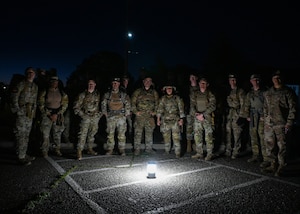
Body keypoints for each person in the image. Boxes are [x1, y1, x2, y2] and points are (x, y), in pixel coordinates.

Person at [262, 70, 297, 176]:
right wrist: (265, 118)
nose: (277, 80)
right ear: (272, 79)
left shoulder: (288, 92)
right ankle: (273, 164)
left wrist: (289, 122)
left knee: (282, 146)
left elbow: (293, 108)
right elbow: (265, 106)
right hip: (269, 124)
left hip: (282, 123)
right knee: (269, 145)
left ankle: (282, 166)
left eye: (278, 77)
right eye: (274, 77)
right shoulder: (268, 92)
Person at [10, 67, 38, 165]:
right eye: (28, 72)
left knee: (26, 135)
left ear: (35, 74)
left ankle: (23, 154)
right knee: (20, 135)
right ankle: (20, 157)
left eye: (32, 72)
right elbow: (14, 98)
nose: (30, 74)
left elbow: (34, 101)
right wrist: (18, 111)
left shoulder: (35, 86)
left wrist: (33, 113)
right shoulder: (21, 84)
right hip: (21, 114)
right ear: (26, 74)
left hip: (29, 115)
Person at [38, 76, 69, 157]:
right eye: (53, 81)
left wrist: (58, 113)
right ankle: (44, 151)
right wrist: (49, 114)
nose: (54, 83)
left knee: (57, 134)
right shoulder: (45, 92)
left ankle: (57, 150)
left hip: (57, 115)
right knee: (45, 134)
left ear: (58, 83)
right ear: (50, 82)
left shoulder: (62, 93)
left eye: (56, 81)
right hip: (46, 115)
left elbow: (65, 104)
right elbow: (40, 104)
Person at [241, 74, 268, 165]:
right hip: (253, 117)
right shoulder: (250, 94)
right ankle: (256, 155)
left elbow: (268, 105)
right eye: (253, 80)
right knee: (253, 136)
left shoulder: (264, 92)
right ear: (251, 81)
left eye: (257, 80)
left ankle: (266, 158)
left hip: (262, 117)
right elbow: (246, 105)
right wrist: (247, 115)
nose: (255, 82)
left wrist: (264, 115)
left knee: (262, 136)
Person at [101, 77, 131, 156]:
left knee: (121, 134)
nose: (115, 85)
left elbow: (128, 103)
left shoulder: (123, 94)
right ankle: (110, 149)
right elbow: (103, 104)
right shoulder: (107, 94)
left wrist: (126, 113)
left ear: (119, 84)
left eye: (116, 83)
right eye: (113, 83)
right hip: (111, 116)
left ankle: (121, 149)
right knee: (110, 134)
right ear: (112, 84)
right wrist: (105, 112)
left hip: (121, 117)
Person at [73, 79, 101, 160]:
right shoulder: (82, 94)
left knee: (92, 134)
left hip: (95, 117)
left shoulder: (98, 94)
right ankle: (79, 151)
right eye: (89, 84)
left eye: (92, 84)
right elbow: (76, 107)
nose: (91, 85)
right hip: (86, 117)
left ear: (95, 84)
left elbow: (101, 105)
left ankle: (90, 149)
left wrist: (99, 115)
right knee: (82, 134)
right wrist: (82, 115)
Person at [131, 76, 159, 155]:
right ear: (143, 82)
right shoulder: (138, 91)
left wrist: (155, 112)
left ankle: (149, 149)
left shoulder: (154, 92)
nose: (148, 82)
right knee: (138, 133)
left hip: (149, 116)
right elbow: (132, 103)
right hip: (140, 116)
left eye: (150, 81)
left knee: (149, 133)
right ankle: (137, 149)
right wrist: (135, 112)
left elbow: (157, 104)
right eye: (146, 81)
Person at [190, 77, 216, 161]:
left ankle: (209, 154)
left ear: (207, 85)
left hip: (207, 117)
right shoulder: (195, 94)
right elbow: (192, 105)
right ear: (199, 84)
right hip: (197, 117)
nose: (202, 85)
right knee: (197, 136)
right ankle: (199, 153)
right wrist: (196, 114)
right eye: (201, 83)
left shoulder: (210, 94)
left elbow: (213, 106)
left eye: (204, 83)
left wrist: (203, 114)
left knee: (208, 137)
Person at [156, 84, 185, 158]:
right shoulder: (163, 99)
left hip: (175, 120)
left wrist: (181, 119)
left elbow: (181, 109)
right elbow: (159, 109)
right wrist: (158, 119)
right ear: (165, 90)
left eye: (170, 88)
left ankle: (177, 153)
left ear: (173, 90)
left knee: (176, 137)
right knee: (166, 137)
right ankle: (167, 151)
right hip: (165, 121)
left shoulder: (177, 98)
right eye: (167, 88)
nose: (169, 90)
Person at [225, 74, 246, 159]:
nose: (233, 82)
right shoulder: (229, 91)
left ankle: (236, 151)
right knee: (228, 132)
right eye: (231, 80)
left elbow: (242, 105)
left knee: (237, 134)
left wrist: (242, 116)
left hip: (237, 114)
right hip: (230, 115)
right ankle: (228, 150)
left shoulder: (240, 91)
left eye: (234, 80)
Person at [186, 73, 199, 153]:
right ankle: (189, 144)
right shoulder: (187, 89)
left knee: (197, 128)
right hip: (189, 112)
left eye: (194, 77)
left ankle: (195, 143)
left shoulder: (199, 88)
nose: (192, 78)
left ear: (196, 78)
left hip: (198, 111)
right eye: (191, 77)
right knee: (189, 128)